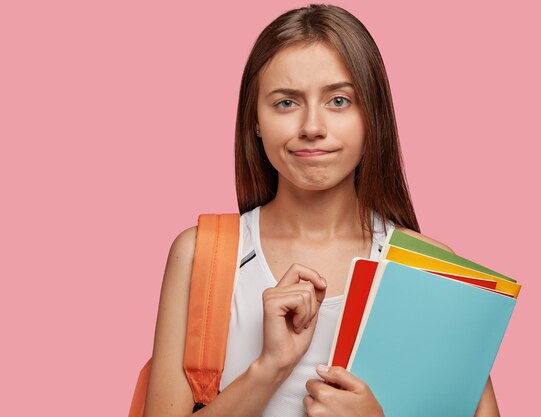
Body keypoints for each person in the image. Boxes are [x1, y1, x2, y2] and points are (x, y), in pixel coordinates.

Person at [143, 4, 500, 417]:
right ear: (254, 121)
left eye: (339, 100)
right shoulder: (202, 255)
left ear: (372, 117)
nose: (312, 126)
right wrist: (269, 368)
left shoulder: (429, 269)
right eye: (285, 103)